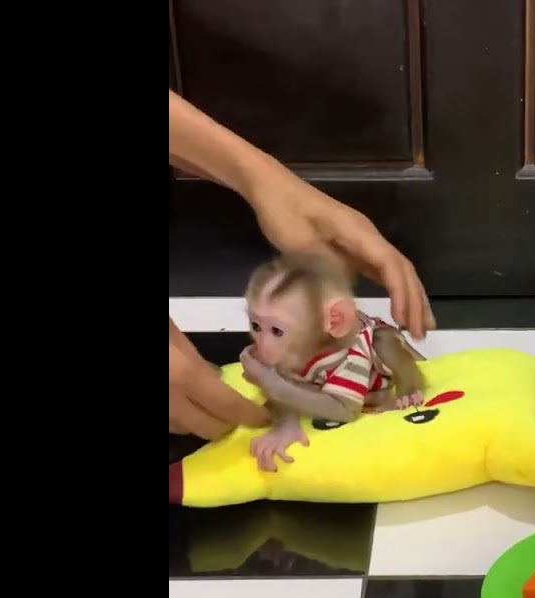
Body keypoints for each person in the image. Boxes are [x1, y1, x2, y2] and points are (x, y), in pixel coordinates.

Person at [168, 90, 435, 441]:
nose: (259, 343)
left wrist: (260, 176)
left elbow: (342, 406)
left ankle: (403, 386)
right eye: (255, 325)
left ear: (334, 321)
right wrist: (283, 418)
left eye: (275, 330)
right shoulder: (292, 351)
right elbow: (288, 399)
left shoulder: (346, 354)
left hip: (365, 380)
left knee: (386, 346)